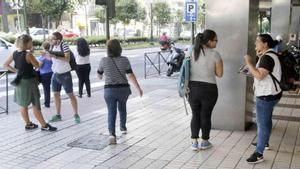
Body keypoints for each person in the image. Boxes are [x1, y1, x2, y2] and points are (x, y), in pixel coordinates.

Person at [3, 34, 57, 131]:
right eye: (30, 42)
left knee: (23, 104)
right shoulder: (28, 54)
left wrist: (16, 71)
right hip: (29, 82)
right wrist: (43, 57)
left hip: (19, 81)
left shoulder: (14, 53)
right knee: (35, 103)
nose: (32, 44)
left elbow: (5, 65)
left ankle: (28, 124)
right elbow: (37, 66)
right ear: (26, 43)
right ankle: (44, 125)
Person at [244, 34, 282, 164]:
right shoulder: (269, 55)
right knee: (266, 120)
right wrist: (252, 68)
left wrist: (249, 62)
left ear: (265, 44)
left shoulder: (267, 58)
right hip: (273, 94)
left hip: (266, 96)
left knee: (262, 124)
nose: (255, 44)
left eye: (258, 42)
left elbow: (260, 76)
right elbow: (262, 73)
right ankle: (264, 142)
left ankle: (259, 153)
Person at [97, 39, 143, 145]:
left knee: (111, 112)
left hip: (109, 90)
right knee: (122, 108)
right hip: (123, 89)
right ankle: (123, 127)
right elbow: (130, 75)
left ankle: (112, 135)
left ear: (108, 49)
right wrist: (138, 88)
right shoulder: (125, 60)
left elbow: (99, 76)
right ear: (119, 48)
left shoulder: (104, 60)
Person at [188, 30, 223, 151]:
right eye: (215, 40)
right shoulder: (215, 54)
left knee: (195, 114)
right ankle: (204, 142)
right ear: (209, 41)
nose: (217, 43)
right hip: (209, 89)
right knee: (206, 115)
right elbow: (219, 74)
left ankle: (193, 143)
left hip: (192, 88)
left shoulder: (191, 51)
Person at [48, 32, 80, 124]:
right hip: (55, 73)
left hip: (65, 74)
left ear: (58, 40)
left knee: (70, 94)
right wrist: (46, 56)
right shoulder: (51, 46)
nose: (51, 40)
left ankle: (76, 115)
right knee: (55, 94)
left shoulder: (64, 45)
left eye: (53, 39)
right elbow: (52, 59)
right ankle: (58, 115)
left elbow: (67, 59)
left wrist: (55, 56)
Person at [37, 41, 53, 108]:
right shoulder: (51, 55)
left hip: (44, 74)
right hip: (52, 73)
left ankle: (47, 104)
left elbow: (39, 66)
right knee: (54, 88)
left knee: (46, 89)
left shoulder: (42, 57)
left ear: (43, 47)